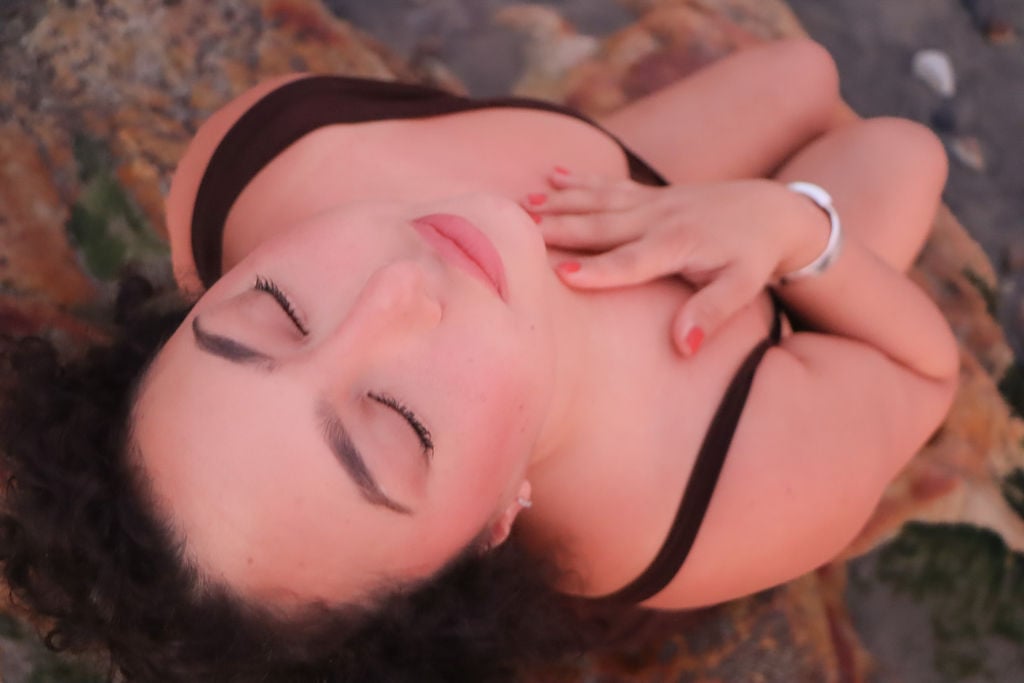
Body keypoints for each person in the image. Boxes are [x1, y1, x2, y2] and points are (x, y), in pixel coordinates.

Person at [0, 38, 958, 682]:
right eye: (398, 423)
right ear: (497, 522)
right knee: (903, 152)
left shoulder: (262, 168)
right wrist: (796, 230)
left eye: (275, 310)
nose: (395, 290)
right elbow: (923, 373)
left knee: (801, 68)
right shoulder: (716, 494)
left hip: (611, 176)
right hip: (769, 313)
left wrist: (639, 182)